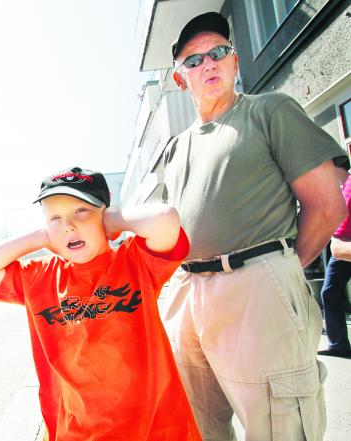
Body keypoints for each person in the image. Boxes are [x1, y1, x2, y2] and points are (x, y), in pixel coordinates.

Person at [161, 12, 349, 440]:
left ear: (235, 61)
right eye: (194, 60)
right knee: (198, 425)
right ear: (179, 79)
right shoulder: (175, 149)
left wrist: (279, 267)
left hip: (256, 287)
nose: (208, 63)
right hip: (188, 294)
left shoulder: (268, 111)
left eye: (218, 52)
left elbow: (326, 204)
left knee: (278, 427)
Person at [0, 167, 201, 440]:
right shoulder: (40, 276)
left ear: (104, 214)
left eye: (81, 211)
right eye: (55, 217)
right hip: (75, 430)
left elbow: (165, 218)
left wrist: (112, 221)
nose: (69, 225)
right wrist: (40, 237)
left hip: (156, 428)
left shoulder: (134, 262)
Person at [318, 173, 351, 358]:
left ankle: (338, 344)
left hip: (344, 244)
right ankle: (338, 344)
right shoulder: (346, 183)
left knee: (330, 292)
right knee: (329, 292)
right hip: (341, 244)